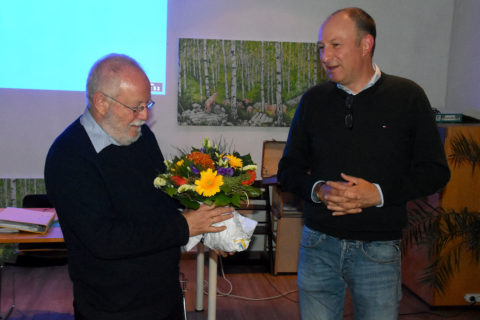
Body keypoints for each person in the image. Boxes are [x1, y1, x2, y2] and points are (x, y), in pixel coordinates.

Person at [277, 7, 450, 320]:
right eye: (321, 47)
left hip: (379, 251)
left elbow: (435, 172)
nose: (325, 56)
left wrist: (378, 194)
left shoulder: (408, 97)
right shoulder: (313, 101)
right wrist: (318, 190)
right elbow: (287, 171)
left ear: (366, 44)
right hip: (318, 244)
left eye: (335, 45)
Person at [44, 53, 233, 320]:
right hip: (113, 308)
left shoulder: (141, 137)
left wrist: (209, 227)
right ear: (101, 102)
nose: (145, 115)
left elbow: (162, 200)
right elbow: (105, 239)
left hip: (163, 295)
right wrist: (185, 226)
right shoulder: (68, 157)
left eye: (148, 104)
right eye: (136, 106)